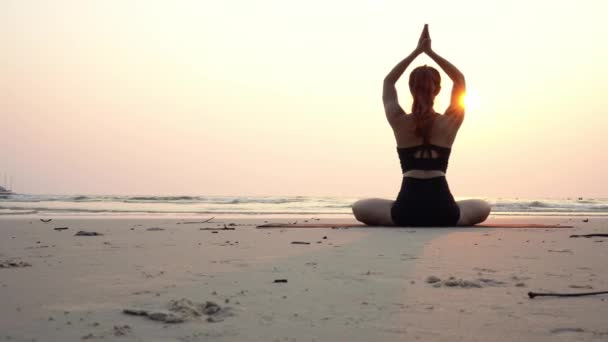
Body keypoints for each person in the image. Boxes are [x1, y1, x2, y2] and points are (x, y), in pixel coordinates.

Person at [352, 24, 491, 226]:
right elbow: (459, 80)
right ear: (438, 89)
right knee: (483, 206)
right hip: (444, 210)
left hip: (406, 209)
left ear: (410, 88)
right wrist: (430, 53)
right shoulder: (450, 121)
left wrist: (417, 51)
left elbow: (388, 82)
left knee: (359, 207)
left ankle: (398, 206)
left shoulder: (399, 120)